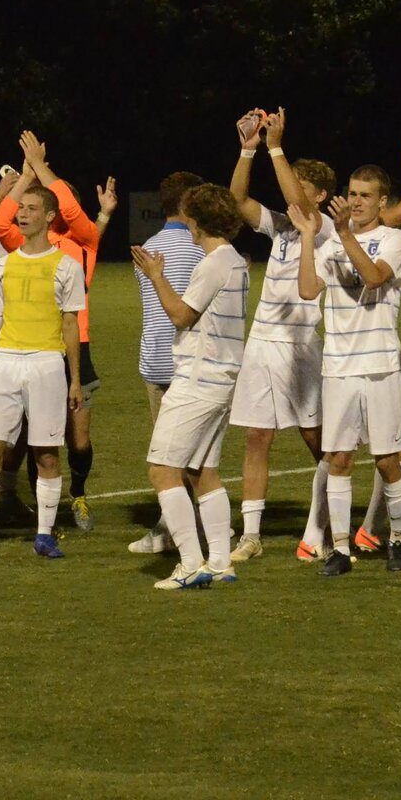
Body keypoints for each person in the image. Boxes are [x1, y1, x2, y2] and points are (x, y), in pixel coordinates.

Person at [0, 169, 88, 561]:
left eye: (32, 208)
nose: (23, 214)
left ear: (50, 217)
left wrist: (75, 381)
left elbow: (70, 325)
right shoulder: (1, 265)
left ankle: (44, 535)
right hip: (5, 362)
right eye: (21, 208)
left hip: (48, 364)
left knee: (47, 454)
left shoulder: (67, 266)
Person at [223, 109, 335, 562]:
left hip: (301, 344)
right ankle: (251, 535)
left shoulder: (322, 228)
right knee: (257, 437)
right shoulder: (281, 227)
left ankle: (329, 521)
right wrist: (249, 148)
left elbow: (303, 207)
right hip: (262, 342)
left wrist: (276, 146)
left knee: (317, 438)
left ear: (321, 195)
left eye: (302, 188)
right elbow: (236, 200)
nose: (291, 198)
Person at [134, 183, 252, 588]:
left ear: (196, 220)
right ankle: (220, 562)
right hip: (221, 380)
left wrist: (156, 277)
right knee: (204, 472)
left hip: (198, 381)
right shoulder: (235, 260)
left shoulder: (215, 263)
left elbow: (181, 315)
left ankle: (189, 564)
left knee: (162, 471)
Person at [296, 166, 401, 576]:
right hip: (339, 367)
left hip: (380, 365)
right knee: (339, 458)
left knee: (386, 460)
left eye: (366, 195)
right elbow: (309, 289)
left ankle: (398, 541)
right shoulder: (331, 241)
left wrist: (344, 234)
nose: (357, 201)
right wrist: (311, 236)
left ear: (383, 202)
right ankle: (340, 550)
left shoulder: (395, 240)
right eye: (353, 193)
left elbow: (376, 277)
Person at [0, 132, 109, 523]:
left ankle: (78, 494)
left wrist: (41, 166)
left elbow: (75, 212)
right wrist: (26, 177)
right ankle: (42, 510)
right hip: (36, 350)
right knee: (36, 436)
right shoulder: (24, 244)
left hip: (78, 346)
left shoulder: (84, 241)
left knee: (78, 438)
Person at [134, 171, 207, 422]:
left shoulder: (146, 248)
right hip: (190, 365)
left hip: (155, 362)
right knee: (196, 453)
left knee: (163, 453)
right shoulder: (203, 248)